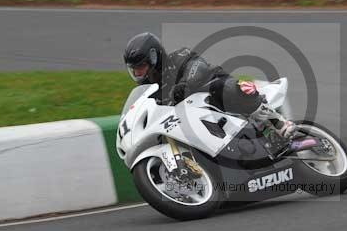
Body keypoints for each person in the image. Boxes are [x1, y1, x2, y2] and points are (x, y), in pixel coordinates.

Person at [123, 32, 296, 148]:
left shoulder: (178, 57)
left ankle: (278, 123)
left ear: (155, 57)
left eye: (141, 67)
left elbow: (198, 66)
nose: (138, 73)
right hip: (195, 119)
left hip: (216, 92)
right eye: (134, 69)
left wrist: (185, 84)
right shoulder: (150, 90)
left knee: (222, 87)